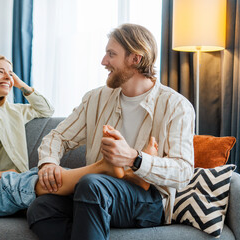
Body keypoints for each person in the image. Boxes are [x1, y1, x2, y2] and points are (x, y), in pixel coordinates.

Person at [0, 54, 156, 220]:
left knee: (33, 178)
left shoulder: (9, 112)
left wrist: (21, 84)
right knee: (19, 184)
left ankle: (105, 172)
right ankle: (101, 168)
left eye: (11, 73)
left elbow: (45, 109)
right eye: (0, 72)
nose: (7, 76)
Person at [27, 23, 195, 240]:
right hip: (97, 191)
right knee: (41, 209)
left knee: (91, 185)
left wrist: (135, 158)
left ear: (135, 58)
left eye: (111, 54)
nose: (103, 61)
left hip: (148, 199)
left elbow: (183, 172)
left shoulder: (176, 106)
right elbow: (58, 136)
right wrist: (48, 162)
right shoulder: (96, 99)